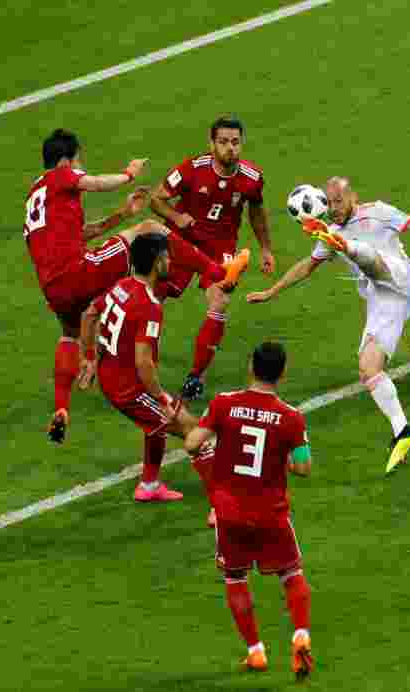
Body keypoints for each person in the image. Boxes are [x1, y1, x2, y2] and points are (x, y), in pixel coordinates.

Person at [246, 176, 410, 474]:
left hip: (401, 278)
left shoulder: (378, 212)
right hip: (384, 298)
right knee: (368, 368)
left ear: (352, 197)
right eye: (329, 203)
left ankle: (350, 248)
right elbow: (307, 266)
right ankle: (403, 432)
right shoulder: (330, 230)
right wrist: (272, 292)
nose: (333, 208)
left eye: (338, 201)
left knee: (365, 255)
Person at [26, 129, 228, 443]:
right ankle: (217, 270)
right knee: (149, 229)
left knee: (69, 335)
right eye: (79, 160)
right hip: (78, 272)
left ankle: (62, 408)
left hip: (52, 288)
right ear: (66, 161)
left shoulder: (36, 198)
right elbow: (92, 183)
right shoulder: (60, 178)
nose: (81, 166)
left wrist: (122, 213)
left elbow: (80, 234)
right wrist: (128, 174)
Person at [184, 342, 314, 680]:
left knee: (235, 577)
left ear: (250, 367)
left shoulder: (224, 404)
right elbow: (303, 467)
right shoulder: (291, 418)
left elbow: (192, 443)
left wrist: (216, 442)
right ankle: (301, 634)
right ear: (283, 373)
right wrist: (283, 456)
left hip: (230, 513)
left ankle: (255, 652)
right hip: (271, 513)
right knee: (291, 574)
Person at [77, 233, 233, 502]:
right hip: (130, 389)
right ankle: (220, 505)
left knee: (156, 424)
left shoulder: (122, 285)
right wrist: (161, 396)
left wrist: (88, 357)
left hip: (110, 375)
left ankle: (148, 485)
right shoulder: (150, 306)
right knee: (192, 430)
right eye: (167, 257)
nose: (171, 261)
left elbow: (89, 313)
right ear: (157, 262)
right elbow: (143, 361)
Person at [150, 115, 273, 401]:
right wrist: (176, 216)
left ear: (241, 143)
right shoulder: (192, 169)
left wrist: (266, 248)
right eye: (223, 142)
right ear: (212, 143)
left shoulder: (252, 179)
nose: (229, 148)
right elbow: (156, 198)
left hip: (220, 248)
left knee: (220, 300)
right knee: (154, 297)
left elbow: (256, 212)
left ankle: (196, 376)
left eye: (235, 142)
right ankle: (132, 351)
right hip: (183, 241)